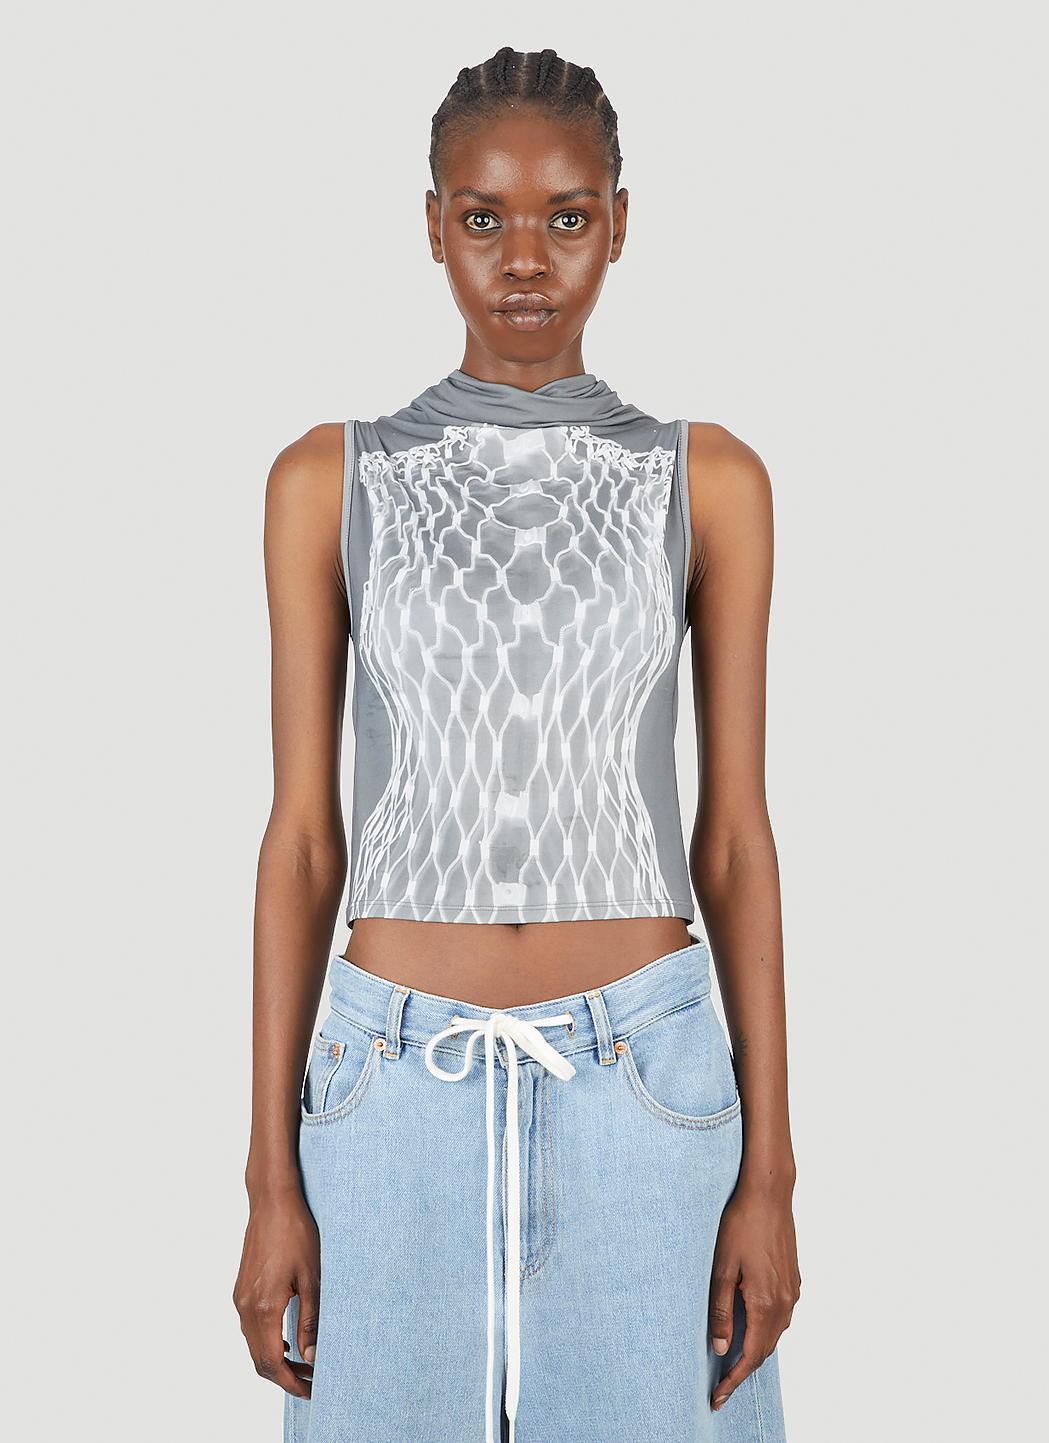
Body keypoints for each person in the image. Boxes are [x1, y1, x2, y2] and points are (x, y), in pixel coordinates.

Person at [234, 46, 801, 1443]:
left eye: (567, 216)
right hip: (387, 1097)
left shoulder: (708, 480)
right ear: (434, 227)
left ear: (620, 223)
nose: (526, 259)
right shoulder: (328, 479)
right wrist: (269, 1179)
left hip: (645, 1097)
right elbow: (302, 842)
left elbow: (734, 838)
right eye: (484, 217)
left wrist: (771, 1175)